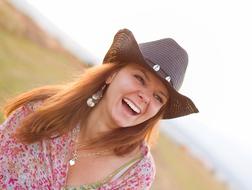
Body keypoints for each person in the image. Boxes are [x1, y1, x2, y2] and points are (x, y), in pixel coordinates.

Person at [0, 28, 199, 189]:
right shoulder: (42, 108)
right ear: (111, 75)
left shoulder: (136, 173)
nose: (145, 97)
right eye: (139, 78)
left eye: (158, 97)